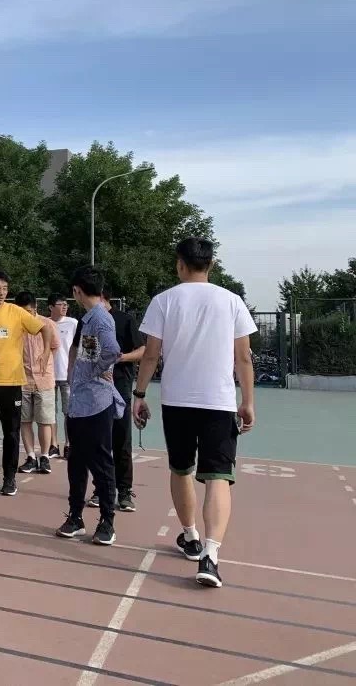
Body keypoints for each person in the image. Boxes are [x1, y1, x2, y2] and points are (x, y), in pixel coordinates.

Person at [133, 237, 256, 588]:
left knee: (181, 468)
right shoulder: (232, 301)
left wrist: (139, 394)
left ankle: (190, 536)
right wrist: (247, 401)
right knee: (219, 476)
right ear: (211, 264)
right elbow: (243, 357)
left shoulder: (164, 300)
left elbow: (151, 354)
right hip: (219, 402)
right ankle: (211, 555)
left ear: (180, 264)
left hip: (177, 401)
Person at [55, 265, 124, 546]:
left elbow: (113, 351)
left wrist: (95, 371)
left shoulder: (101, 318)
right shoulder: (89, 318)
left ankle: (107, 521)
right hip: (80, 403)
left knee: (101, 462)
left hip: (96, 403)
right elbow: (91, 352)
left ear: (77, 291)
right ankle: (75, 516)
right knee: (77, 461)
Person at [0, 270, 56, 496]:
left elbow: (45, 328)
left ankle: (9, 478)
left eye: (4, 289)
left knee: (11, 432)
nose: (1, 292)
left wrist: (45, 353)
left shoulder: (16, 312)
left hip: (11, 383)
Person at [80, 287, 145, 512]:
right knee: (100, 441)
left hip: (121, 385)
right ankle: (101, 489)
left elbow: (142, 350)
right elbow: (87, 352)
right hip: (96, 389)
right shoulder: (88, 321)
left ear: (102, 298)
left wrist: (120, 358)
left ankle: (124, 490)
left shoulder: (125, 320)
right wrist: (97, 369)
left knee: (121, 439)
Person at [14, 291, 59, 476]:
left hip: (44, 379)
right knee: (24, 420)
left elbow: (54, 346)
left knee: (45, 420)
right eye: (22, 311)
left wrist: (45, 363)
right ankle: (30, 457)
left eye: (29, 311)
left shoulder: (47, 324)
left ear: (35, 308)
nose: (26, 315)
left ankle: (45, 456)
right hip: (22, 380)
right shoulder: (16, 326)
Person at [48, 293, 77, 458]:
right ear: (51, 307)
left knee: (69, 412)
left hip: (68, 375)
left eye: (66, 304)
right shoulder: (45, 323)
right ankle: (53, 445)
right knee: (50, 412)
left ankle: (68, 444)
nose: (65, 306)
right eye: (61, 304)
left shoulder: (73, 323)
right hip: (48, 375)